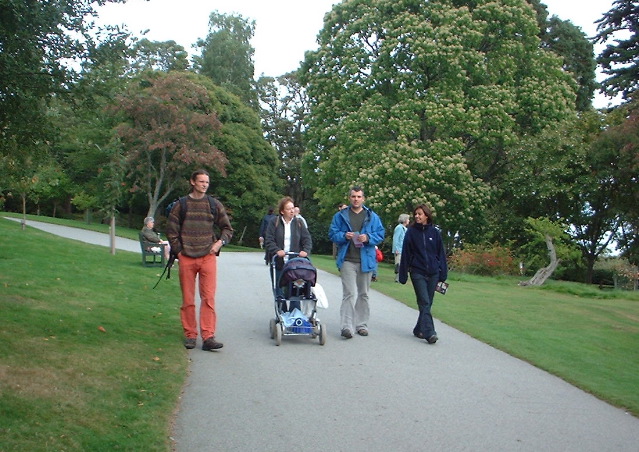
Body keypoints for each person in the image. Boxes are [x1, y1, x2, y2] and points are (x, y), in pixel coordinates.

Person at [166, 169, 234, 351]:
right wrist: (179, 251)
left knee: (208, 298)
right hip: (187, 257)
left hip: (207, 257)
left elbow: (228, 229)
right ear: (192, 182)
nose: (204, 185)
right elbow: (171, 231)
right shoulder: (181, 205)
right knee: (188, 299)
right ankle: (190, 335)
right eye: (201, 181)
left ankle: (208, 336)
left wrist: (219, 243)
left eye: (207, 182)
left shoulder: (214, 204)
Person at [329, 186, 385, 338]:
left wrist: (368, 238)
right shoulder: (340, 216)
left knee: (364, 294)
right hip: (347, 259)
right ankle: (346, 326)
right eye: (353, 196)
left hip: (365, 260)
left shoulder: (372, 216)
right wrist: (343, 236)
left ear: (363, 199)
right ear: (349, 198)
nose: (356, 199)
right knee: (349, 293)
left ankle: (361, 325)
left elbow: (380, 234)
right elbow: (332, 234)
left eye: (359, 196)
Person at [398, 203, 447, 344]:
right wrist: (403, 274)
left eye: (420, 214)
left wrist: (442, 273)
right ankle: (429, 332)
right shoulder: (411, 232)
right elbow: (406, 254)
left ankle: (419, 328)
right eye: (416, 214)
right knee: (424, 301)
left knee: (428, 303)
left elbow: (441, 254)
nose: (417, 216)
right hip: (417, 272)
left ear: (426, 215)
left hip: (433, 273)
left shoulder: (434, 233)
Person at [264, 196, 312, 309]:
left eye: (292, 208)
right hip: (279, 262)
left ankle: (295, 313)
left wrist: (305, 251)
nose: (292, 211)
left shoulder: (299, 223)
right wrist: (277, 250)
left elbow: (307, 239)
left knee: (296, 288)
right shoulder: (274, 222)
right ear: (282, 211)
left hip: (294, 263)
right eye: (288, 209)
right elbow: (269, 240)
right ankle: (282, 312)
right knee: (279, 288)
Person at [392, 214, 410, 282]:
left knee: (402, 265)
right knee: (398, 264)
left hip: (403, 250)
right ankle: (397, 279)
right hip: (399, 250)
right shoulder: (399, 228)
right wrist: (396, 249)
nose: (409, 221)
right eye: (408, 219)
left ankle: (400, 278)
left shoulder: (405, 229)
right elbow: (395, 239)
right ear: (405, 220)